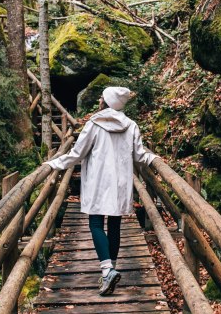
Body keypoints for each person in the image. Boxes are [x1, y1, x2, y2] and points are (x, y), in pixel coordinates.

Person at [44, 86, 158, 295]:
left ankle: (107, 271)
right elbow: (141, 156)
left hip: (98, 181)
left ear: (105, 102)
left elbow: (78, 153)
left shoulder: (94, 124)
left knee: (96, 223)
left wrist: (54, 163)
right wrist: (155, 159)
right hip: (120, 184)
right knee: (114, 224)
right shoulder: (131, 125)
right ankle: (110, 270)